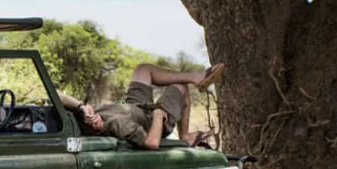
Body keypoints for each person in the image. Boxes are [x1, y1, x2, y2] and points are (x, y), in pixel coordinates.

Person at [59, 63, 223, 149]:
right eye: (92, 124)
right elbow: (151, 143)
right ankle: (185, 136)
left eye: (87, 118)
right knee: (181, 87)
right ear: (96, 130)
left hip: (134, 106)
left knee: (143, 69)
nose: (92, 118)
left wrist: (81, 107)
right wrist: (158, 115)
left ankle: (197, 77)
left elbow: (56, 96)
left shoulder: (88, 114)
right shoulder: (119, 126)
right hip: (152, 120)